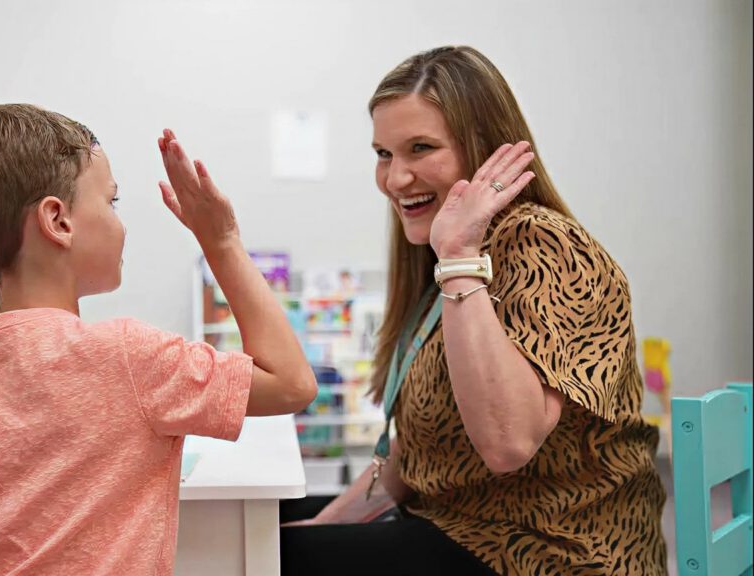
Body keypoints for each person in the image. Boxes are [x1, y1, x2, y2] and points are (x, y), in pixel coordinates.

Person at [281, 46, 668, 575]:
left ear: (485, 150)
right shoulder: (444, 260)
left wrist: (459, 258)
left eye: (421, 148)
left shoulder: (544, 246)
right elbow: (417, 456)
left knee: (272, 557)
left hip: (552, 553)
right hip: (458, 523)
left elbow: (508, 445)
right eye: (383, 154)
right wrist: (325, 526)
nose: (396, 179)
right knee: (258, 528)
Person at [0, 105, 316, 575]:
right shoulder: (127, 358)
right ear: (58, 221)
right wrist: (221, 240)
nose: (120, 223)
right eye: (111, 202)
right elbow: (291, 384)